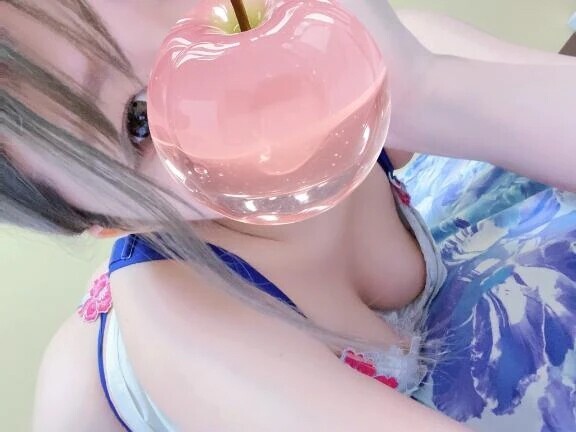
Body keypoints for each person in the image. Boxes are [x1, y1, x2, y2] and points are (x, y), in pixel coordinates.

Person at [2, 1, 575, 431]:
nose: (230, 79)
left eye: (207, 11)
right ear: (109, 220)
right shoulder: (191, 324)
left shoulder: (342, 61)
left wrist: (423, 88)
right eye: (140, 120)